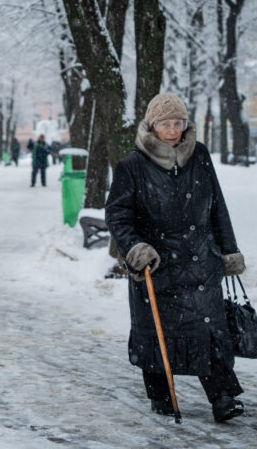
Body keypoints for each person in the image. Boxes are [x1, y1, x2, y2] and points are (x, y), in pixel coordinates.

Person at [104, 93, 247, 423]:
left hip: (201, 263)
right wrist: (137, 249)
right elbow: (117, 214)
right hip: (158, 265)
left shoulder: (200, 156)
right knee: (158, 333)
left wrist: (228, 250)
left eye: (178, 123)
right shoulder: (132, 165)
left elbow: (218, 207)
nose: (173, 130)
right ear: (153, 126)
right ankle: (162, 395)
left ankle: (222, 397)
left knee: (209, 330)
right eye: (166, 124)